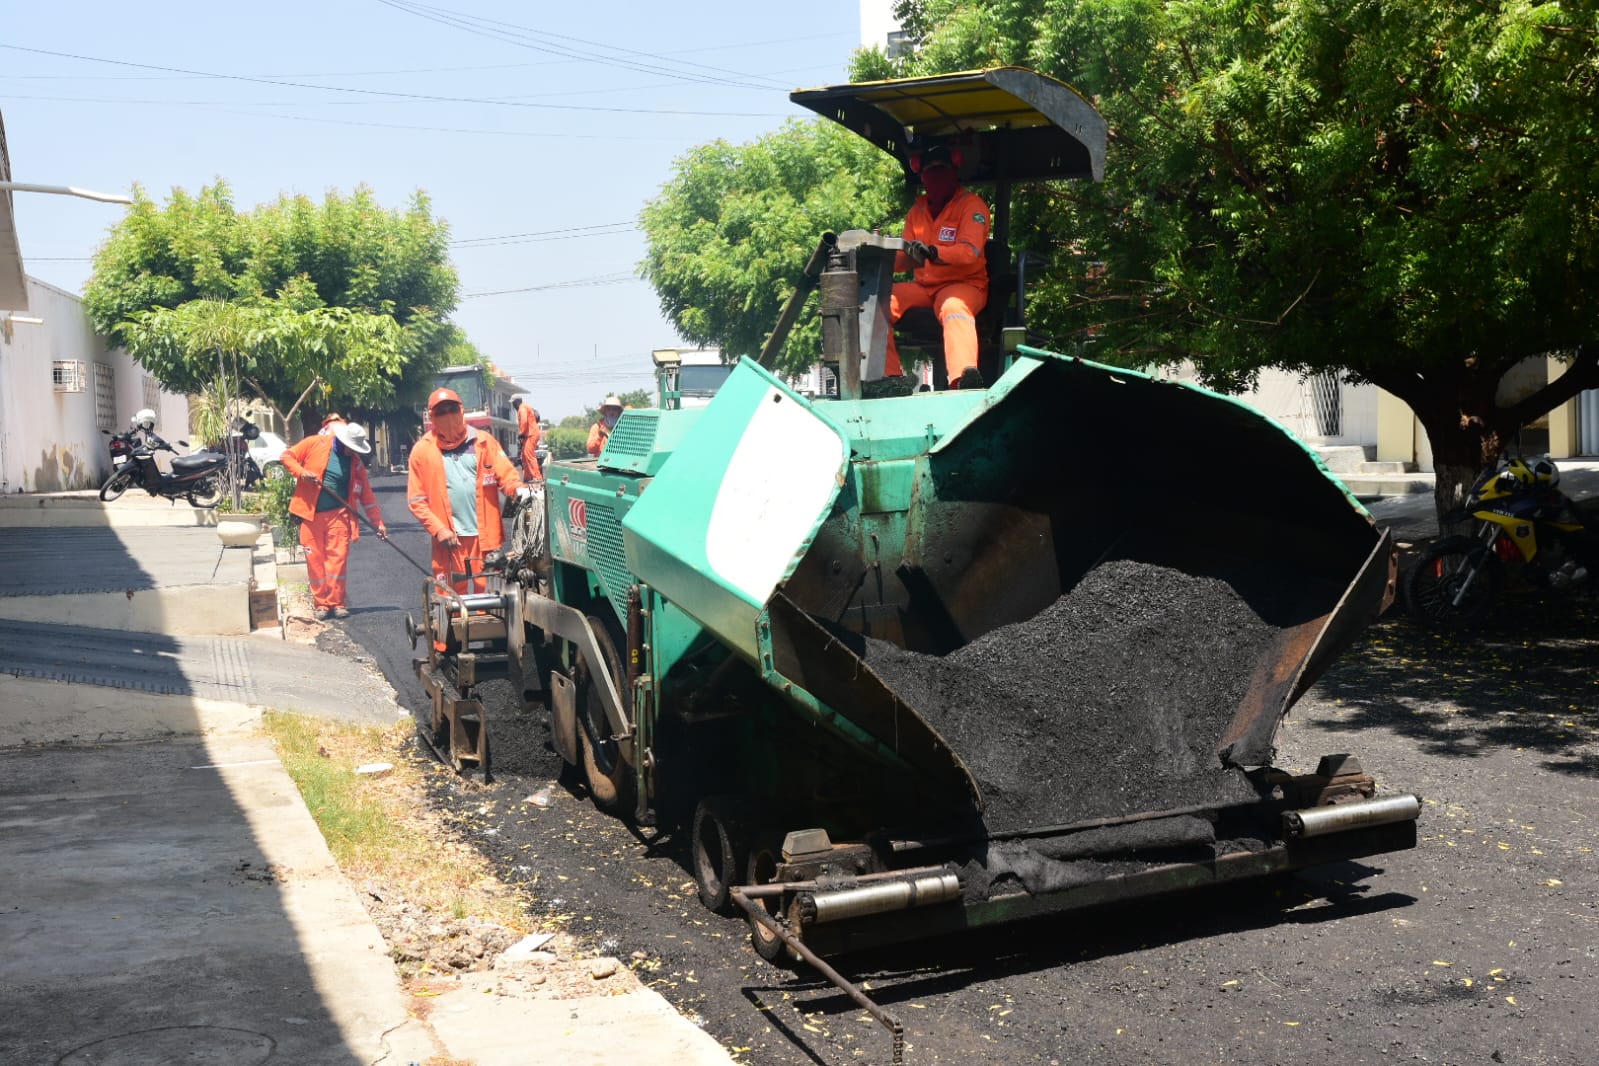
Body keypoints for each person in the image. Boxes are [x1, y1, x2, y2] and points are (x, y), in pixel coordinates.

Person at [884, 142, 993, 389]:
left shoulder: (972, 206)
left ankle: (961, 380)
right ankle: (887, 378)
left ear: (954, 173)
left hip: (964, 284)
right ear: (921, 175)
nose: (935, 176)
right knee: (874, 302)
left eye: (941, 169)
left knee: (954, 307)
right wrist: (880, 259)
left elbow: (969, 253)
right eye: (930, 170)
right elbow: (907, 259)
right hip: (925, 286)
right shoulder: (917, 210)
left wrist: (934, 252)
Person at [407, 387, 533, 592]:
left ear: (461, 410)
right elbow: (416, 501)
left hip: (485, 538)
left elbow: (507, 476)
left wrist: (519, 491)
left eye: (451, 409)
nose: (448, 415)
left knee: (491, 594)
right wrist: (439, 530)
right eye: (441, 412)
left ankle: (487, 624)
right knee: (451, 599)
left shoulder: (483, 442)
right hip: (449, 541)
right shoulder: (422, 451)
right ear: (432, 416)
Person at [280, 420, 387, 621]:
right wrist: (302, 473)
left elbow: (367, 496)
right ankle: (321, 604)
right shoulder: (315, 444)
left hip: (339, 516)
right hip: (311, 516)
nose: (352, 452)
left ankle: (337, 603)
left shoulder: (355, 464)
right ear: (343, 441)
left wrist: (377, 523)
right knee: (315, 562)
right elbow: (287, 456)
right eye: (351, 448)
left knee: (337, 561)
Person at [511, 396, 543, 481]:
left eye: (513, 403)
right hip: (528, 435)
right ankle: (527, 477)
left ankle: (537, 477)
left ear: (516, 402)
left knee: (529, 454)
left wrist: (521, 433)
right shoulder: (525, 407)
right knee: (524, 456)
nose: (513, 406)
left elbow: (524, 421)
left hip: (531, 434)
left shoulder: (522, 408)